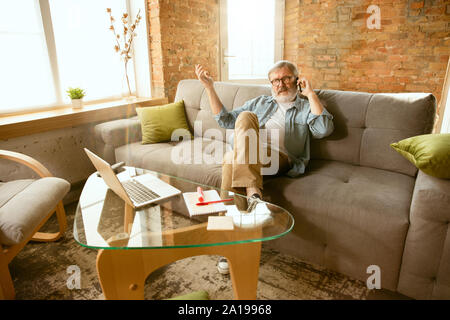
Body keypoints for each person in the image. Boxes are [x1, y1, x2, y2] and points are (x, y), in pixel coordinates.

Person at [195, 60, 334, 274]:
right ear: (271, 84)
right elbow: (224, 120)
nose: (281, 84)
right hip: (249, 157)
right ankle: (253, 200)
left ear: (297, 80)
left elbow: (323, 129)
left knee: (232, 159)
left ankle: (226, 242)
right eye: (275, 80)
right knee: (236, 143)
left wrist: (311, 94)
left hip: (281, 158)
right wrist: (209, 87)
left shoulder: (306, 106)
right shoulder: (261, 102)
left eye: (286, 78)